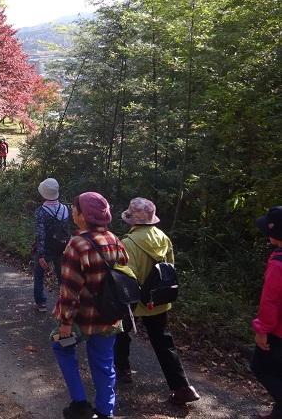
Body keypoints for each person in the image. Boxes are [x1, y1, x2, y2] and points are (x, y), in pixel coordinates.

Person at [112, 198, 200, 405]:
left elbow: (127, 275)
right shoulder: (163, 238)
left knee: (122, 333)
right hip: (159, 298)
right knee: (163, 341)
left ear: (132, 219)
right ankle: (183, 387)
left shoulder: (128, 243)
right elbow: (169, 267)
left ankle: (123, 370)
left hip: (135, 301)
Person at [52, 192, 127, 419]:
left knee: (61, 346)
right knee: (104, 363)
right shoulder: (114, 239)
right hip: (109, 316)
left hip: (81, 318)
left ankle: (80, 404)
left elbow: (70, 289)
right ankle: (106, 411)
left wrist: (66, 321)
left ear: (84, 216)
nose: (72, 211)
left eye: (75, 208)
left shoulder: (77, 244)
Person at [252, 206, 282, 419]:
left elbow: (271, 301)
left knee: (260, 368)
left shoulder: (278, 263)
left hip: (278, 330)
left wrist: (262, 330)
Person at [32, 178, 69, 312]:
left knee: (39, 275)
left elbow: (41, 234)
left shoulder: (41, 211)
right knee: (62, 276)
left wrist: (41, 255)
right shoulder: (65, 209)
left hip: (46, 249)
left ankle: (40, 302)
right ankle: (65, 303)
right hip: (61, 248)